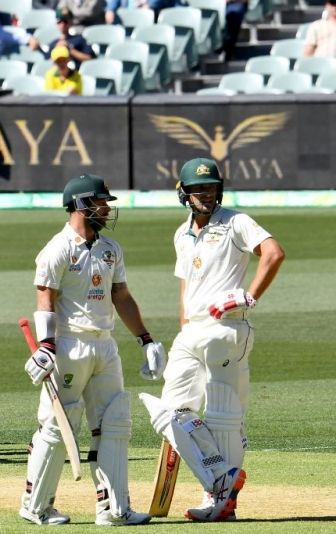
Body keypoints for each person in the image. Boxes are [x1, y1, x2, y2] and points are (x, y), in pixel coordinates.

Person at [140, 158, 285, 522]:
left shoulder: (236, 221)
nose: (206, 194)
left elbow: (273, 253)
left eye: (211, 187)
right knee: (170, 412)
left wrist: (249, 295)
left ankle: (220, 500)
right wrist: (183, 325)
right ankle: (221, 475)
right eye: (198, 189)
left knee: (223, 415)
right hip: (192, 332)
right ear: (184, 194)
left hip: (228, 327)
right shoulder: (181, 233)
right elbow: (186, 283)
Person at [20, 174, 162, 526]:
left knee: (115, 422)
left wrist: (146, 339)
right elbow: (45, 296)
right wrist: (47, 346)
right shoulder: (58, 248)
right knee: (57, 426)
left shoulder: (110, 248)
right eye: (101, 202)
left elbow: (121, 296)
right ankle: (35, 506)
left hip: (105, 344)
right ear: (81, 204)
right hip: (69, 343)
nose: (106, 208)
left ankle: (114, 509)